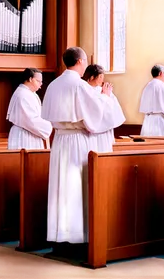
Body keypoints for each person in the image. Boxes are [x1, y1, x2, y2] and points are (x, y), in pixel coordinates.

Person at [41, 47, 121, 246]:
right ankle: (79, 235)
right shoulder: (79, 85)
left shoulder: (54, 84)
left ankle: (60, 233)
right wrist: (106, 96)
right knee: (77, 187)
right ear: (79, 61)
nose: (85, 64)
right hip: (77, 140)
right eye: (84, 61)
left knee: (62, 186)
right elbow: (97, 113)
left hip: (59, 141)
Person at [82, 64, 126, 152]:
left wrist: (109, 96)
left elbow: (113, 110)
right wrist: (106, 97)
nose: (102, 80)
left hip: (105, 132)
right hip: (89, 133)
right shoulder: (84, 90)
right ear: (91, 77)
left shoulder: (103, 90)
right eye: (100, 77)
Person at [6, 68, 52, 149]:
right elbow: (31, 120)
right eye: (38, 81)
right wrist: (50, 126)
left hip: (31, 133)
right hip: (24, 136)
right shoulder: (23, 95)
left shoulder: (30, 93)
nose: (41, 84)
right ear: (30, 79)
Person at [139, 64, 164, 136]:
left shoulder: (147, 87)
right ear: (161, 73)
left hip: (148, 121)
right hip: (162, 122)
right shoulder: (163, 87)